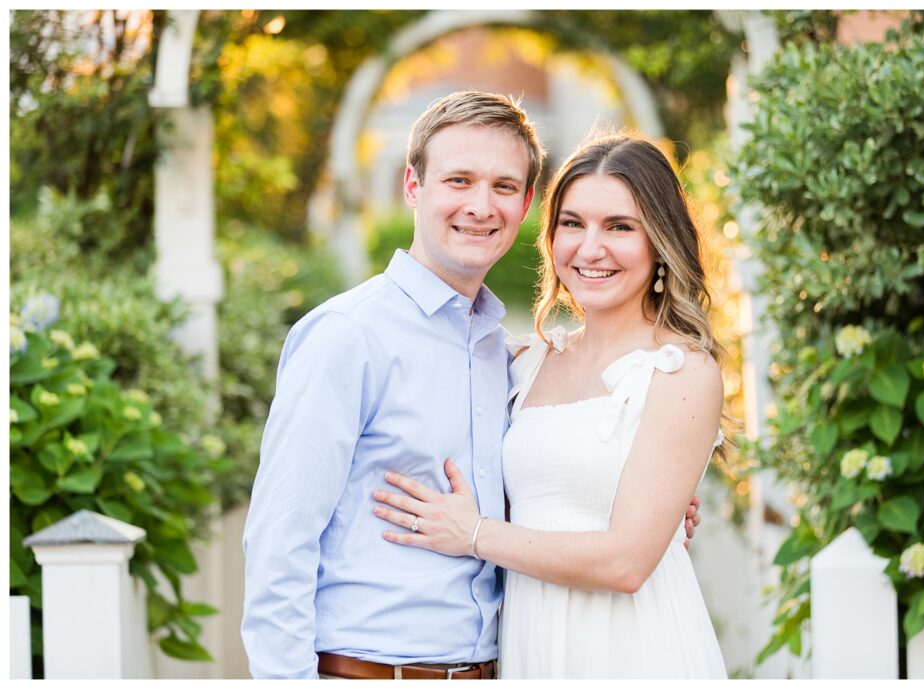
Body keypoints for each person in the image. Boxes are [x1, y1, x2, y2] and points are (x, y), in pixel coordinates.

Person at [241, 91, 702, 680]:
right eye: (458, 180)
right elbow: (279, 542)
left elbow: (550, 481)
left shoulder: (506, 355)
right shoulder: (347, 337)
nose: (481, 206)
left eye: (504, 186)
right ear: (413, 186)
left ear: (527, 202)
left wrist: (640, 498)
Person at [372, 133, 729, 678]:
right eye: (572, 223)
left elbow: (627, 562)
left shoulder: (681, 372)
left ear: (660, 240)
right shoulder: (528, 362)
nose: (590, 248)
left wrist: (474, 534)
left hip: (631, 645)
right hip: (532, 641)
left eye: (620, 227)